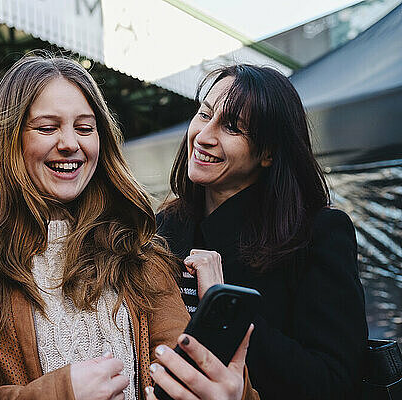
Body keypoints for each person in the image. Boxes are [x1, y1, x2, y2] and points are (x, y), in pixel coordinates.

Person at [0, 53, 259, 400]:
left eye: (84, 128)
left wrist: (227, 392)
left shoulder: (140, 255)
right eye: (47, 128)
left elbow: (193, 377)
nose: (69, 144)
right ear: (8, 139)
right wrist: (59, 393)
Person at [156, 64, 368, 400]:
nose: (204, 136)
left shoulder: (317, 233)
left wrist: (225, 304)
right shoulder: (165, 226)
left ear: (268, 152)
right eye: (204, 114)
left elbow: (333, 382)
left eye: (232, 128)